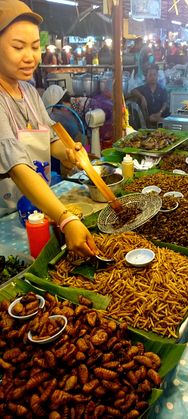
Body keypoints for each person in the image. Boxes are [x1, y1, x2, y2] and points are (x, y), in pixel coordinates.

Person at [0, 0, 97, 257]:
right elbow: (18, 169)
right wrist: (65, 219)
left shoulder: (30, 92)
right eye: (18, 47)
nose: (30, 56)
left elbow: (48, 139)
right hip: (4, 218)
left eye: (35, 46)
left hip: (38, 207)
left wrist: (69, 153)